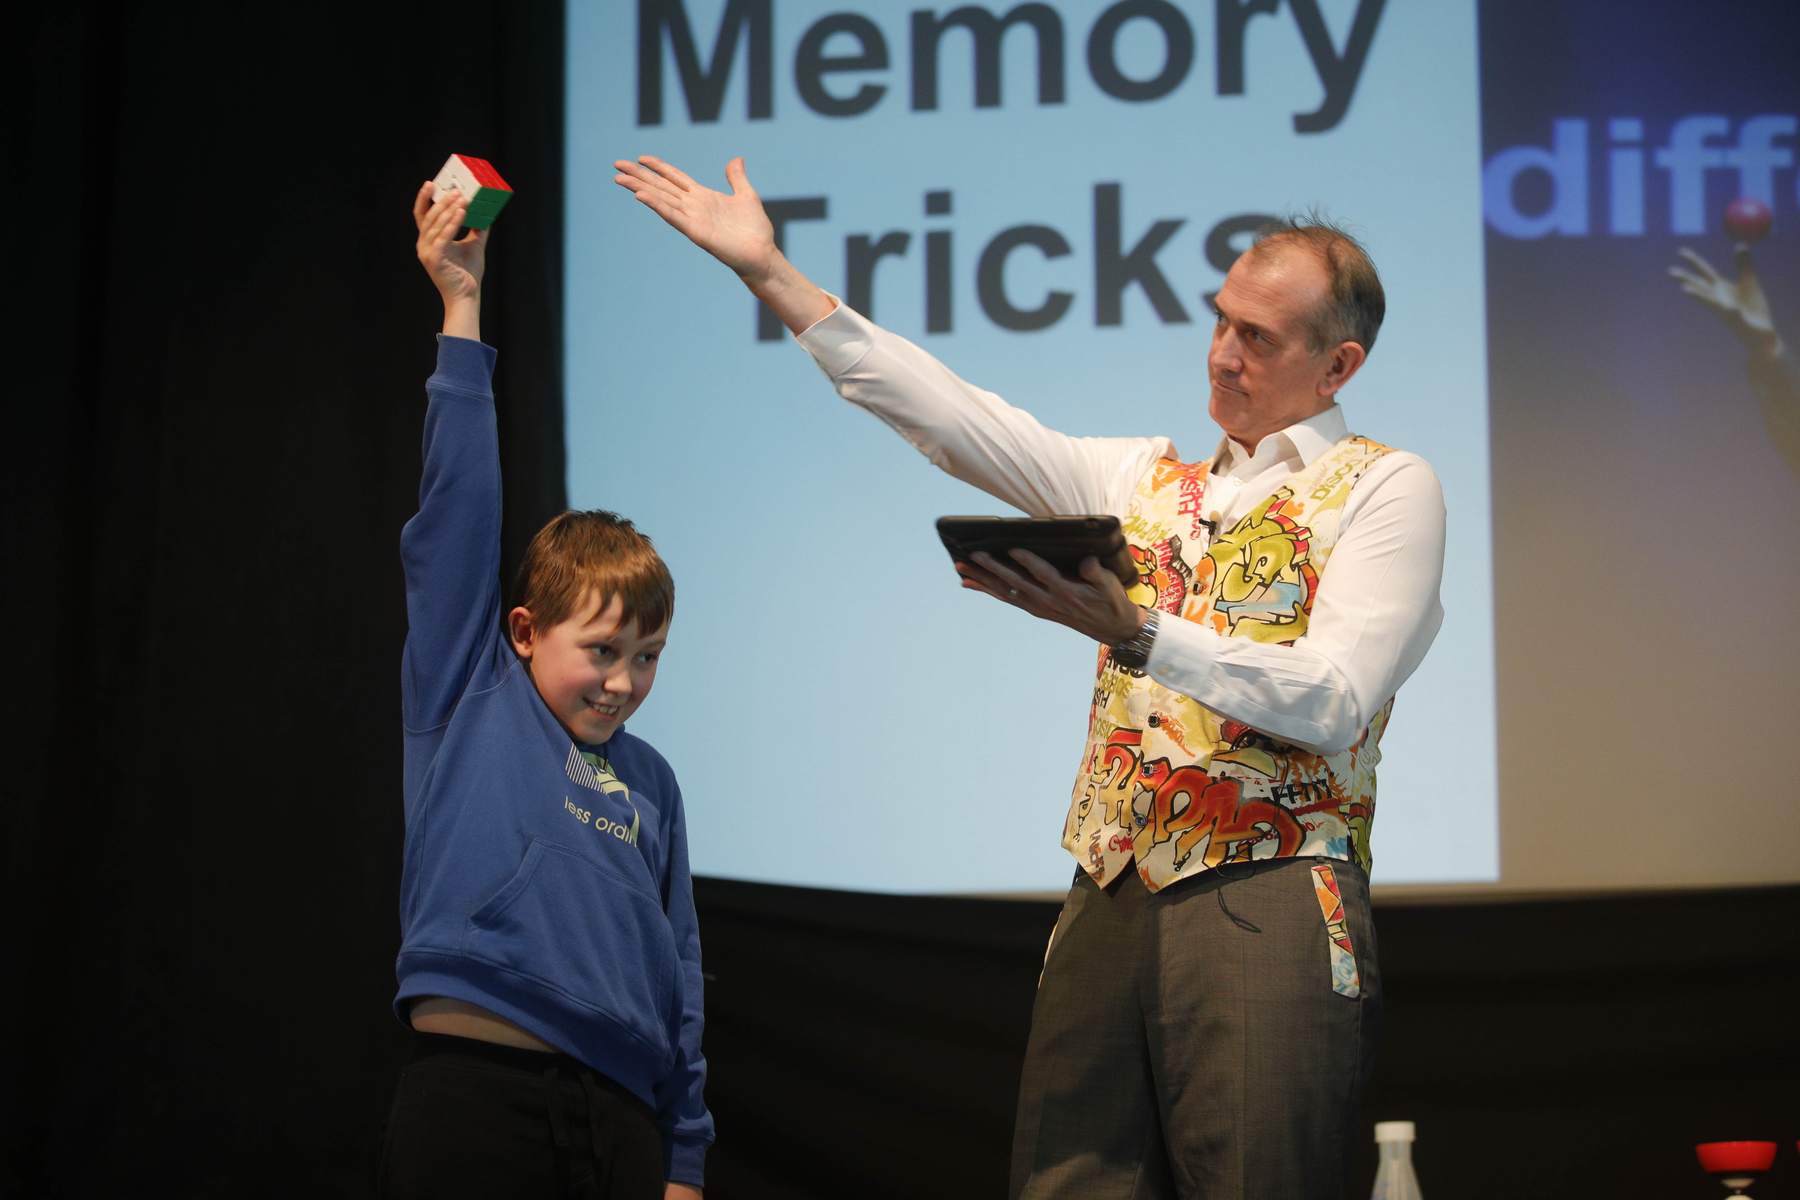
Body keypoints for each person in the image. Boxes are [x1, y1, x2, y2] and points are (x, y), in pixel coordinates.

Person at [615, 154, 1446, 1199]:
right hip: (1110, 889)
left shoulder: (1384, 488)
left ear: (1340, 366)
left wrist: (1143, 633)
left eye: (1258, 337)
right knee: (1066, 1183)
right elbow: (960, 423)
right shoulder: (1147, 481)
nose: (1220, 355)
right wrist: (774, 276)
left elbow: (1334, 697)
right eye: (1221, 320)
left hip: (1271, 889)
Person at [380, 181, 711, 1199]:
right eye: (603, 650)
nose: (624, 682)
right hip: (474, 1095)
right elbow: (461, 511)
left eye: (648, 657)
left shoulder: (651, 783)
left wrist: (686, 1154)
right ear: (523, 633)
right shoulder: (469, 698)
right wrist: (461, 308)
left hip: (620, 1120)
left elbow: (682, 972)